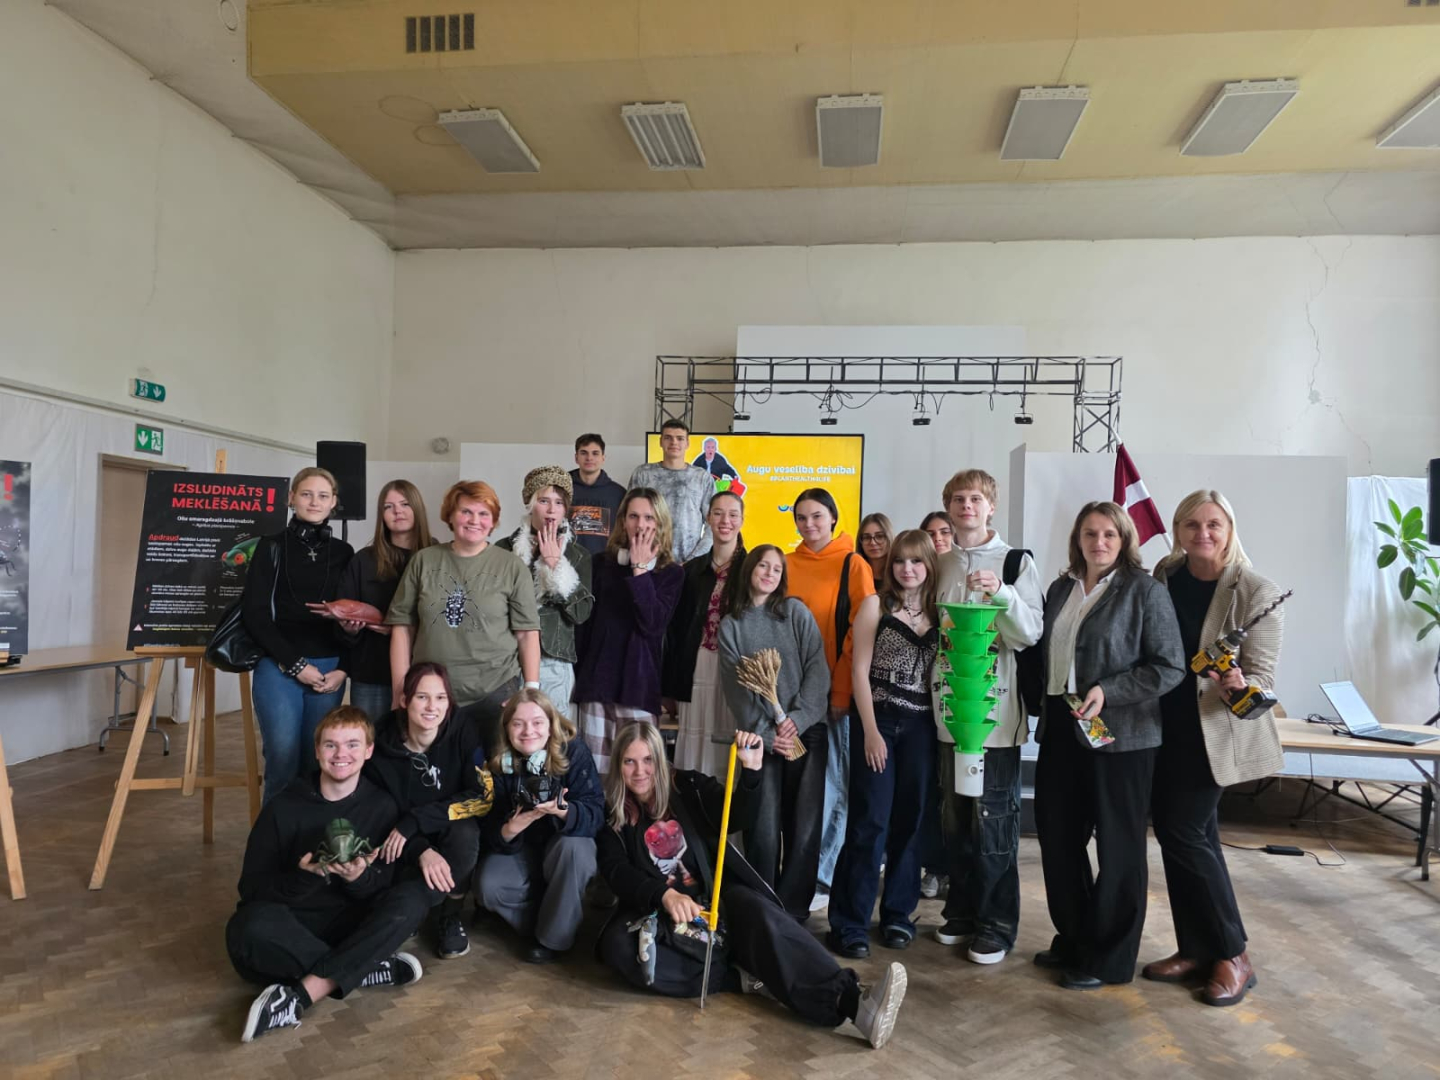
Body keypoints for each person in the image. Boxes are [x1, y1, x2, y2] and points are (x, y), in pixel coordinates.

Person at [595, 722, 909, 1049]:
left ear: (660, 760)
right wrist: (665, 895)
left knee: (762, 914)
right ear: (618, 765)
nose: (640, 771)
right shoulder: (611, 815)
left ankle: (856, 1005)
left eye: (647, 760)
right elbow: (616, 871)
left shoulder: (688, 787)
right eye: (629, 762)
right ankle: (739, 976)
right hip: (658, 916)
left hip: (715, 903)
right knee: (618, 947)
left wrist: (751, 772)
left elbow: (737, 817)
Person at [1034, 501, 1184, 991]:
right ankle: (1076, 937)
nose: (1099, 542)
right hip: (1063, 727)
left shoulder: (1145, 591)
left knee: (1118, 846)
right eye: (1090, 533)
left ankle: (1109, 958)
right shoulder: (1061, 588)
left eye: (1109, 535)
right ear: (1077, 538)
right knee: (1058, 837)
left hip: (1123, 736)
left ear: (1124, 541)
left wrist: (1109, 691)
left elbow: (1169, 666)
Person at [1145, 490, 1285, 1007]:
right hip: (1164, 727)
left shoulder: (1255, 590)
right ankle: (1197, 949)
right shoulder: (1165, 574)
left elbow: (1264, 680)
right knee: (1189, 835)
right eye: (1192, 525)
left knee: (1182, 830)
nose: (1202, 534)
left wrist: (1240, 683)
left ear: (1229, 530)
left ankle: (1233, 953)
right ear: (1178, 530)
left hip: (1214, 731)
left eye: (1213, 525)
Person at [227, 707, 428, 1043]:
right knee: (245, 928)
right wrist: (306, 876)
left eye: (352, 744)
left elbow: (381, 887)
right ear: (317, 751)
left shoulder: (382, 806)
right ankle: (363, 967)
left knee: (413, 898)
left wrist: (358, 878)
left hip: (349, 924)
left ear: (368, 751)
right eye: (331, 745)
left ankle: (300, 996)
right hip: (295, 927)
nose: (340, 754)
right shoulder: (283, 807)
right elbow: (251, 888)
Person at [929, 469, 1044, 965]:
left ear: (990, 506)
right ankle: (962, 911)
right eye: (958, 499)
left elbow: (1030, 632)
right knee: (955, 819)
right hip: (950, 714)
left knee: (993, 819)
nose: (966, 507)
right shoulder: (941, 563)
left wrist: (1002, 592)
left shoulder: (1016, 562)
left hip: (996, 717)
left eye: (976, 499)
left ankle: (997, 924)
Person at [829, 530, 939, 958]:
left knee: (911, 821)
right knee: (869, 821)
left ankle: (897, 914)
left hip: (922, 727)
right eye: (899, 561)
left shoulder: (939, 610)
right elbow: (859, 671)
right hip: (879, 721)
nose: (907, 569)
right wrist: (871, 731)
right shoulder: (876, 605)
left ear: (929, 564)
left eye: (916, 561)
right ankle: (849, 923)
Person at [718, 545, 831, 919]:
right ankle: (764, 910)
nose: (769, 573)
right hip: (761, 739)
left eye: (777, 569)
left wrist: (799, 718)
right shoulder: (731, 626)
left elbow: (817, 668)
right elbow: (737, 691)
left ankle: (793, 914)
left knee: (803, 827)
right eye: (763, 566)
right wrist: (769, 735)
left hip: (806, 732)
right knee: (762, 828)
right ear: (750, 569)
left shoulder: (794, 612)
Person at [386, 480, 541, 752]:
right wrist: (400, 688)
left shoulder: (511, 566)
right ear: (450, 516)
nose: (474, 520)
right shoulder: (424, 561)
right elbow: (402, 628)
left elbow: (527, 634)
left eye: (483, 514)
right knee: (432, 770)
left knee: (493, 772)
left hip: (495, 693)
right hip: (430, 697)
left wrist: (530, 692)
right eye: (466, 512)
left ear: (493, 521)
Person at [364, 662, 494, 962]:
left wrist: (417, 820)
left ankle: (449, 913)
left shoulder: (463, 729)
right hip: (399, 833)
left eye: (440, 698)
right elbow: (376, 809)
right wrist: (420, 847)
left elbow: (483, 797)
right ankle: (410, 906)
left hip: (442, 822)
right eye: (422, 697)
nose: (432, 707)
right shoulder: (381, 741)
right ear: (404, 700)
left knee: (466, 833)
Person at [243, 467, 354, 804]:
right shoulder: (270, 547)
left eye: (323, 496)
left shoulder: (344, 552)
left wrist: (344, 668)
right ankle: (275, 836)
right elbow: (255, 615)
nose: (314, 502)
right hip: (279, 666)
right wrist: (295, 665)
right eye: (306, 494)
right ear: (291, 498)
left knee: (318, 761)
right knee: (282, 758)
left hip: (329, 670)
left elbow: (352, 617)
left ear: (333, 502)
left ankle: (312, 834)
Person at [786, 487, 875, 901]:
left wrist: (841, 691)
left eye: (817, 516)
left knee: (832, 785)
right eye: (802, 517)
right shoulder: (787, 564)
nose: (809, 524)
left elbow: (859, 635)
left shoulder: (853, 565)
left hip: (834, 697)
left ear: (834, 518)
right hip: (791, 697)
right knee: (799, 790)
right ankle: (797, 871)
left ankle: (824, 875)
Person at [476, 690, 603, 963]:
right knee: (488, 885)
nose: (528, 731)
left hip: (564, 848)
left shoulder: (574, 751)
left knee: (574, 849)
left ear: (551, 725)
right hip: (523, 849)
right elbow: (486, 827)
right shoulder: (498, 762)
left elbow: (596, 815)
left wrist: (563, 810)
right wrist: (511, 828)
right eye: (518, 723)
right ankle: (553, 918)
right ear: (507, 729)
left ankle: (553, 939)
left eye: (537, 722)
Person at [572, 488, 684, 772]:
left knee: (639, 777)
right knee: (596, 776)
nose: (640, 524)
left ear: (660, 523)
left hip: (638, 688)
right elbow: (583, 628)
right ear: (623, 521)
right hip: (597, 687)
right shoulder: (600, 564)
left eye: (649, 517)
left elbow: (653, 624)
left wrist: (640, 570)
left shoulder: (671, 573)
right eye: (634, 516)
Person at [337, 480, 436, 722]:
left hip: (427, 671)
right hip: (372, 673)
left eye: (404, 504)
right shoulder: (363, 560)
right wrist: (349, 628)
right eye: (388, 507)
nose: (397, 511)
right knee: (373, 737)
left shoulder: (439, 556)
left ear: (418, 508)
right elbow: (344, 615)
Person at [496, 466, 593, 707]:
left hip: (554, 659)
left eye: (559, 503)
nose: (552, 510)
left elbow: (581, 614)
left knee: (553, 728)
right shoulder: (504, 549)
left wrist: (556, 566)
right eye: (544, 501)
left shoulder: (578, 555)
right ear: (530, 504)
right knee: (506, 726)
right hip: (506, 657)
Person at [664, 490, 746, 776]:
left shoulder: (751, 570)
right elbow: (675, 630)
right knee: (695, 743)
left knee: (728, 743)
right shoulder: (691, 571)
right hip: (695, 666)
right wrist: (669, 688)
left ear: (742, 520)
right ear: (708, 518)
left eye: (733, 514)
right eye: (718, 513)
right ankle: (693, 800)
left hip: (735, 671)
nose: (725, 521)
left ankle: (726, 803)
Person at [629, 419, 714, 563]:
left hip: (689, 564)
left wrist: (694, 560)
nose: (674, 442)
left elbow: (713, 524)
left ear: (687, 443)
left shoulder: (702, 478)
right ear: (660, 442)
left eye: (680, 438)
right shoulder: (643, 474)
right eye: (668, 438)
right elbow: (629, 518)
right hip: (648, 561)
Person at [569, 433, 627, 558]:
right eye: (584, 453)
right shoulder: (562, 489)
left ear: (603, 458)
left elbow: (624, 533)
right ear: (576, 458)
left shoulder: (619, 493)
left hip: (606, 562)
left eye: (595, 453)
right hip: (568, 562)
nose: (589, 458)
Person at [858, 513, 893, 589]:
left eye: (879, 536)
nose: (873, 543)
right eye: (867, 537)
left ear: (889, 538)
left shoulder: (899, 573)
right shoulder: (854, 572)